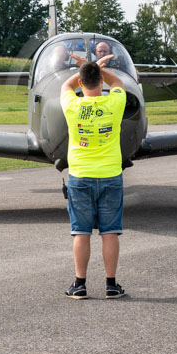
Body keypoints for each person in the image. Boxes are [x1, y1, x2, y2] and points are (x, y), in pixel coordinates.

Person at [60, 53, 127, 299]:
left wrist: (84, 68)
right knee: (110, 232)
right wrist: (98, 67)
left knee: (81, 232)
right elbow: (117, 83)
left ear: (81, 83)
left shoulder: (72, 105)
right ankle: (111, 285)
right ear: (101, 81)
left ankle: (79, 285)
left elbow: (66, 86)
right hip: (111, 175)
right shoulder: (115, 102)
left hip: (80, 176)